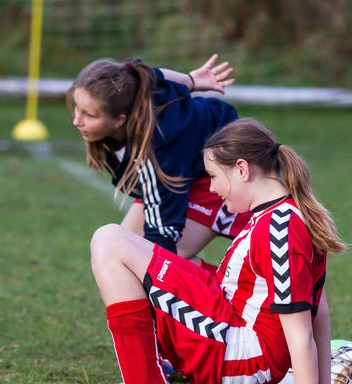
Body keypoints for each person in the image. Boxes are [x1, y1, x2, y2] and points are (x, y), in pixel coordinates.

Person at [85, 118, 348, 384]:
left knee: (109, 240)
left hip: (237, 357)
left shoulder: (281, 229)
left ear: (241, 169)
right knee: (132, 248)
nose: (211, 188)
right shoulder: (283, 215)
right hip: (231, 327)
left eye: (213, 177)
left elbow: (301, 330)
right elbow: (319, 309)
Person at [67, 54, 250, 262]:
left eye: (89, 115)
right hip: (185, 172)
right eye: (76, 107)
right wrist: (190, 80)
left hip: (221, 175)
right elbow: (149, 73)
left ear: (119, 120)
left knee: (149, 260)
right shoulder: (134, 88)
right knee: (118, 252)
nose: (76, 120)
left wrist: (156, 269)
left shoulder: (158, 148)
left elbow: (163, 232)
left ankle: (224, 290)